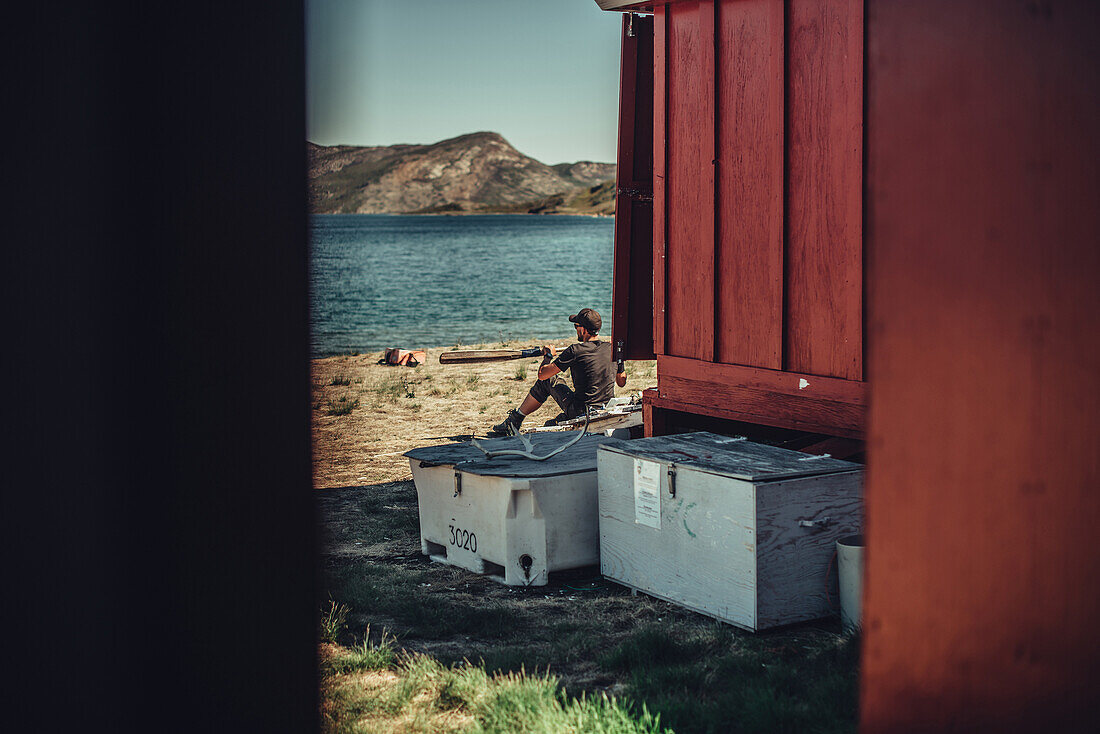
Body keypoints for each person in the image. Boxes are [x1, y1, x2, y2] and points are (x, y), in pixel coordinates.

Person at [489, 307, 626, 436]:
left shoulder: (575, 350)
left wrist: (548, 356)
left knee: (547, 381)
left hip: (582, 411)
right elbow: (621, 381)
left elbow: (542, 375)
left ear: (583, 330)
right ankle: (550, 419)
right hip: (605, 408)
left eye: (576, 326)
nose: (575, 330)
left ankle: (514, 420)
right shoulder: (611, 348)